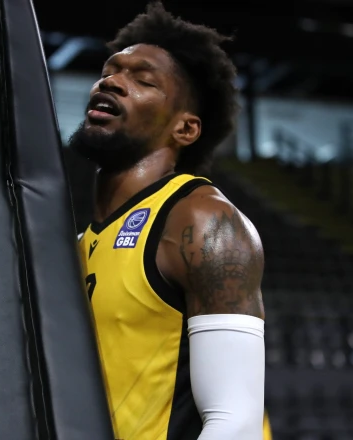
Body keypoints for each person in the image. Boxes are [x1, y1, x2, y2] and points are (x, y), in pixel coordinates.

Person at [70, 2, 271, 439]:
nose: (112, 82)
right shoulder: (80, 242)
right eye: (109, 72)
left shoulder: (202, 222)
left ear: (185, 129)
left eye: (143, 81)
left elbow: (236, 423)